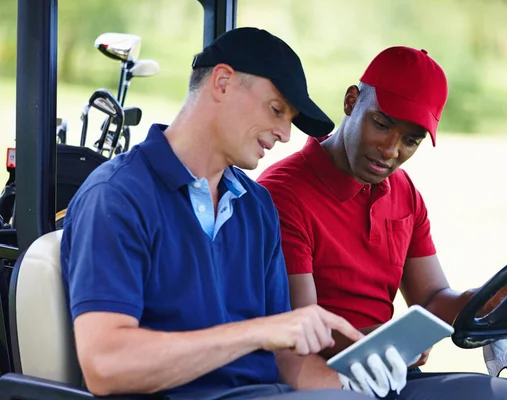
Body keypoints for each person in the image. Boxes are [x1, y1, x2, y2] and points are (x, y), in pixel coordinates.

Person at [60, 27, 402, 400]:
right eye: (276, 110)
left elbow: (287, 358)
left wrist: (354, 389)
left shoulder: (256, 206)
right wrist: (258, 331)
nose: (285, 134)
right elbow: (106, 367)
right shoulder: (117, 196)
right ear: (222, 82)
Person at [258, 46, 507, 399]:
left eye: (410, 140)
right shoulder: (283, 194)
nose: (391, 150)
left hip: (393, 373)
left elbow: (433, 297)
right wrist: (390, 343)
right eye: (382, 124)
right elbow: (301, 328)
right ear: (351, 102)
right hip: (330, 381)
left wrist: (486, 299)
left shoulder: (403, 191)